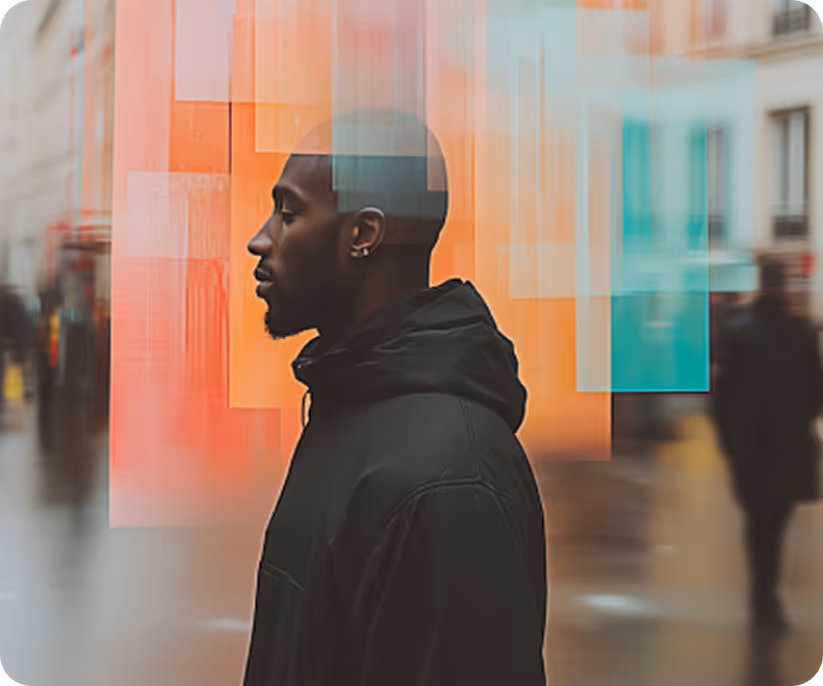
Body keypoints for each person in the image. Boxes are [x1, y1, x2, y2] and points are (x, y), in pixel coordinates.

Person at [243, 109, 547, 686]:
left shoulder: (453, 480)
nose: (261, 239)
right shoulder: (347, 409)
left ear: (362, 234)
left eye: (289, 213)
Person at [712, 256, 823, 629]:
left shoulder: (740, 329)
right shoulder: (800, 330)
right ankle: (766, 593)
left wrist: (729, 443)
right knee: (773, 521)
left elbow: (722, 396)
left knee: (761, 521)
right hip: (786, 445)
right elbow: (816, 393)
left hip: (753, 447)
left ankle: (764, 593)